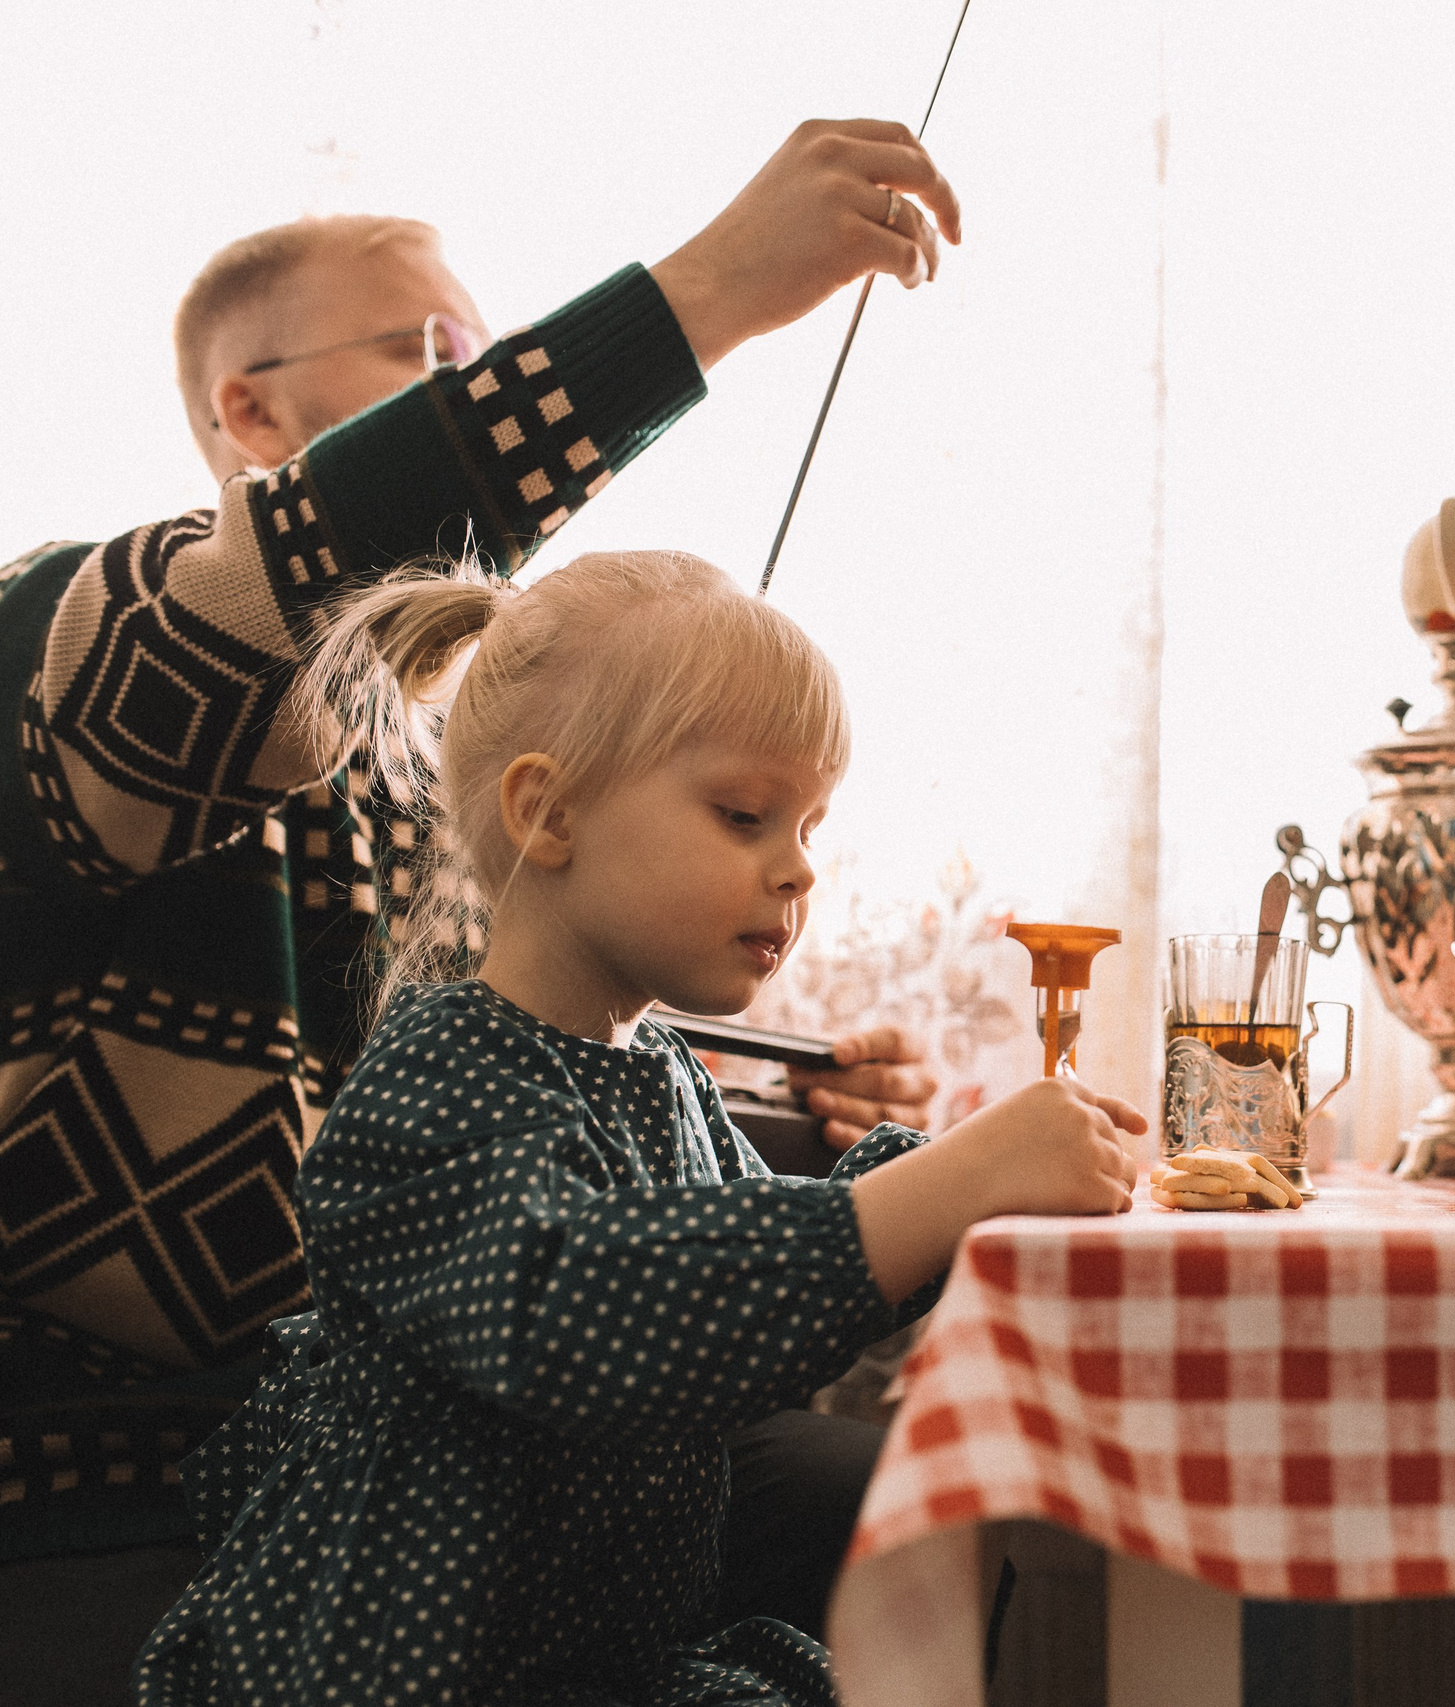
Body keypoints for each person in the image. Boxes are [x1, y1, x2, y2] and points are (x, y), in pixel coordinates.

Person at [0, 119, 958, 1698]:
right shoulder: (66, 643)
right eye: (445, 355)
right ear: (252, 409)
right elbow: (255, 616)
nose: (489, 387)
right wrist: (704, 295)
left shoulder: (430, 782)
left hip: (476, 1436)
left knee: (925, 1510)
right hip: (117, 1486)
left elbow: (518, 1113)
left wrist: (809, 1135)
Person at [130, 548, 1147, 1705]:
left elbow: (752, 1250)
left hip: (593, 1657)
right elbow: (580, 1307)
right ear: (547, 812)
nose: (799, 867)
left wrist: (968, 1182)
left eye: (810, 823)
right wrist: (937, 1192)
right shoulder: (436, 1078)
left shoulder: (659, 1071)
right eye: (744, 814)